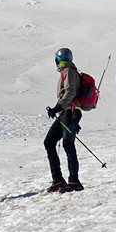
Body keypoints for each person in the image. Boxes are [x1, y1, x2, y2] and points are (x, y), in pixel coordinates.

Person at [44, 47, 84, 192]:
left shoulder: (69, 71)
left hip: (69, 112)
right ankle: (58, 179)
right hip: (66, 113)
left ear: (58, 60)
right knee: (49, 142)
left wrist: (57, 107)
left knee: (67, 144)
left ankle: (74, 181)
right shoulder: (68, 71)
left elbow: (70, 92)